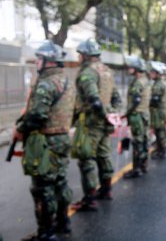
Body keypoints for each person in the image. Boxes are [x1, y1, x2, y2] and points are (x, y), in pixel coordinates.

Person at [14, 40, 75, 241]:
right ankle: (63, 223)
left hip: (46, 142)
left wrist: (21, 129)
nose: (37, 62)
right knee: (60, 182)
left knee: (43, 188)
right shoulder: (66, 82)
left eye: (40, 58)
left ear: (49, 61)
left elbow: (37, 115)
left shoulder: (45, 84)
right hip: (62, 138)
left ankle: (46, 233)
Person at [71, 39, 121, 210]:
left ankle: (89, 199)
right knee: (103, 155)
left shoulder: (87, 73)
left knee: (87, 159)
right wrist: (112, 114)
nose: (78, 57)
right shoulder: (107, 71)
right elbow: (116, 97)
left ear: (85, 55)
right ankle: (106, 190)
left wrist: (104, 114)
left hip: (90, 122)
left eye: (79, 54)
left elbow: (94, 100)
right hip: (104, 124)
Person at [123, 56, 151, 178]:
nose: (129, 69)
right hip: (144, 114)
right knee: (144, 140)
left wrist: (126, 113)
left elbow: (135, 101)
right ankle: (143, 165)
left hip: (137, 115)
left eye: (131, 67)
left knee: (137, 142)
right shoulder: (145, 80)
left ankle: (137, 168)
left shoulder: (137, 82)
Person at [149, 61, 166, 159]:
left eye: (153, 72)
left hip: (159, 112)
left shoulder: (158, 85)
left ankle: (162, 150)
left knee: (160, 131)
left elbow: (154, 100)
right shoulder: (157, 83)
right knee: (158, 131)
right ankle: (160, 149)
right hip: (159, 111)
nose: (151, 74)